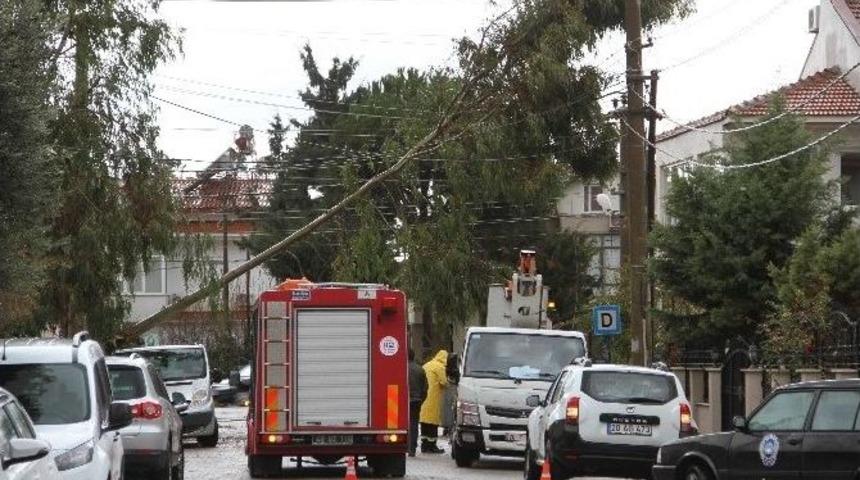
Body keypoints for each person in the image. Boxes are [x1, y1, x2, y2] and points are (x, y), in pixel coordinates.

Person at [419, 349, 448, 454]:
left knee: (424, 422)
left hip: (423, 397)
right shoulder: (440, 367)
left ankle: (424, 445)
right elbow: (444, 382)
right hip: (433, 398)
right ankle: (432, 446)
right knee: (432, 422)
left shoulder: (426, 365)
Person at [407, 348, 428, 457]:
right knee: (414, 424)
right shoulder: (420, 369)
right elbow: (425, 388)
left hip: (402, 401)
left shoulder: (400, 368)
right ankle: (412, 448)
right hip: (416, 400)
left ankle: (402, 446)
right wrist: (421, 400)